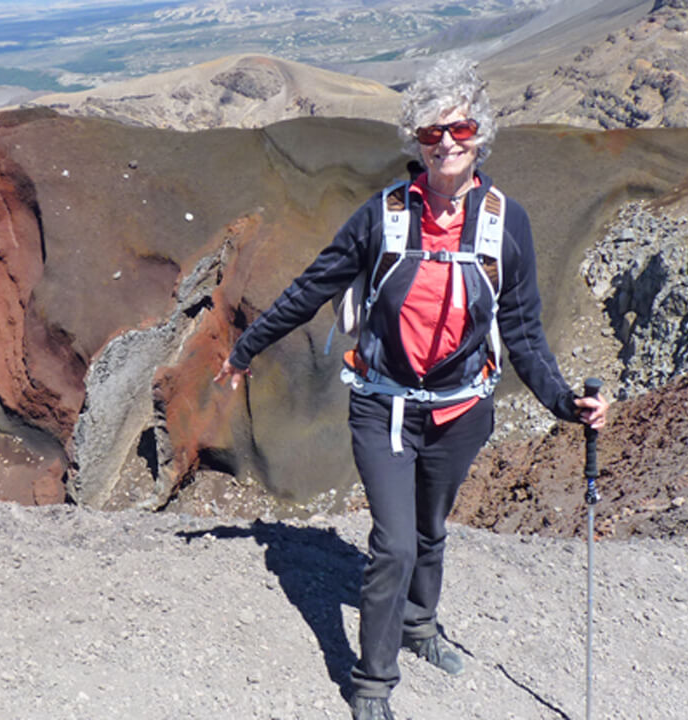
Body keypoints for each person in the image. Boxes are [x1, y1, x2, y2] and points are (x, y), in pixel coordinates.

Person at [213, 57, 609, 720]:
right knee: (394, 544)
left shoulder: (506, 224)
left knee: (429, 530)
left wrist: (566, 403)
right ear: (416, 143)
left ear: (480, 134)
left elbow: (522, 331)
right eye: (431, 133)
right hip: (384, 406)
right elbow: (312, 287)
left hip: (462, 412)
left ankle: (420, 625)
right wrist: (246, 347)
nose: (446, 142)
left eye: (460, 128)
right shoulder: (383, 217)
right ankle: (373, 682)